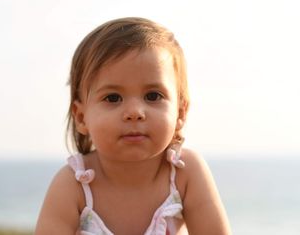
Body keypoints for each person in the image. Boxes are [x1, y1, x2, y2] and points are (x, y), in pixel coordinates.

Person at [35, 17, 231, 235]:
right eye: (112, 98)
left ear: (180, 112)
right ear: (82, 117)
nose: (135, 113)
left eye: (153, 95)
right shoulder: (73, 186)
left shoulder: (185, 172)